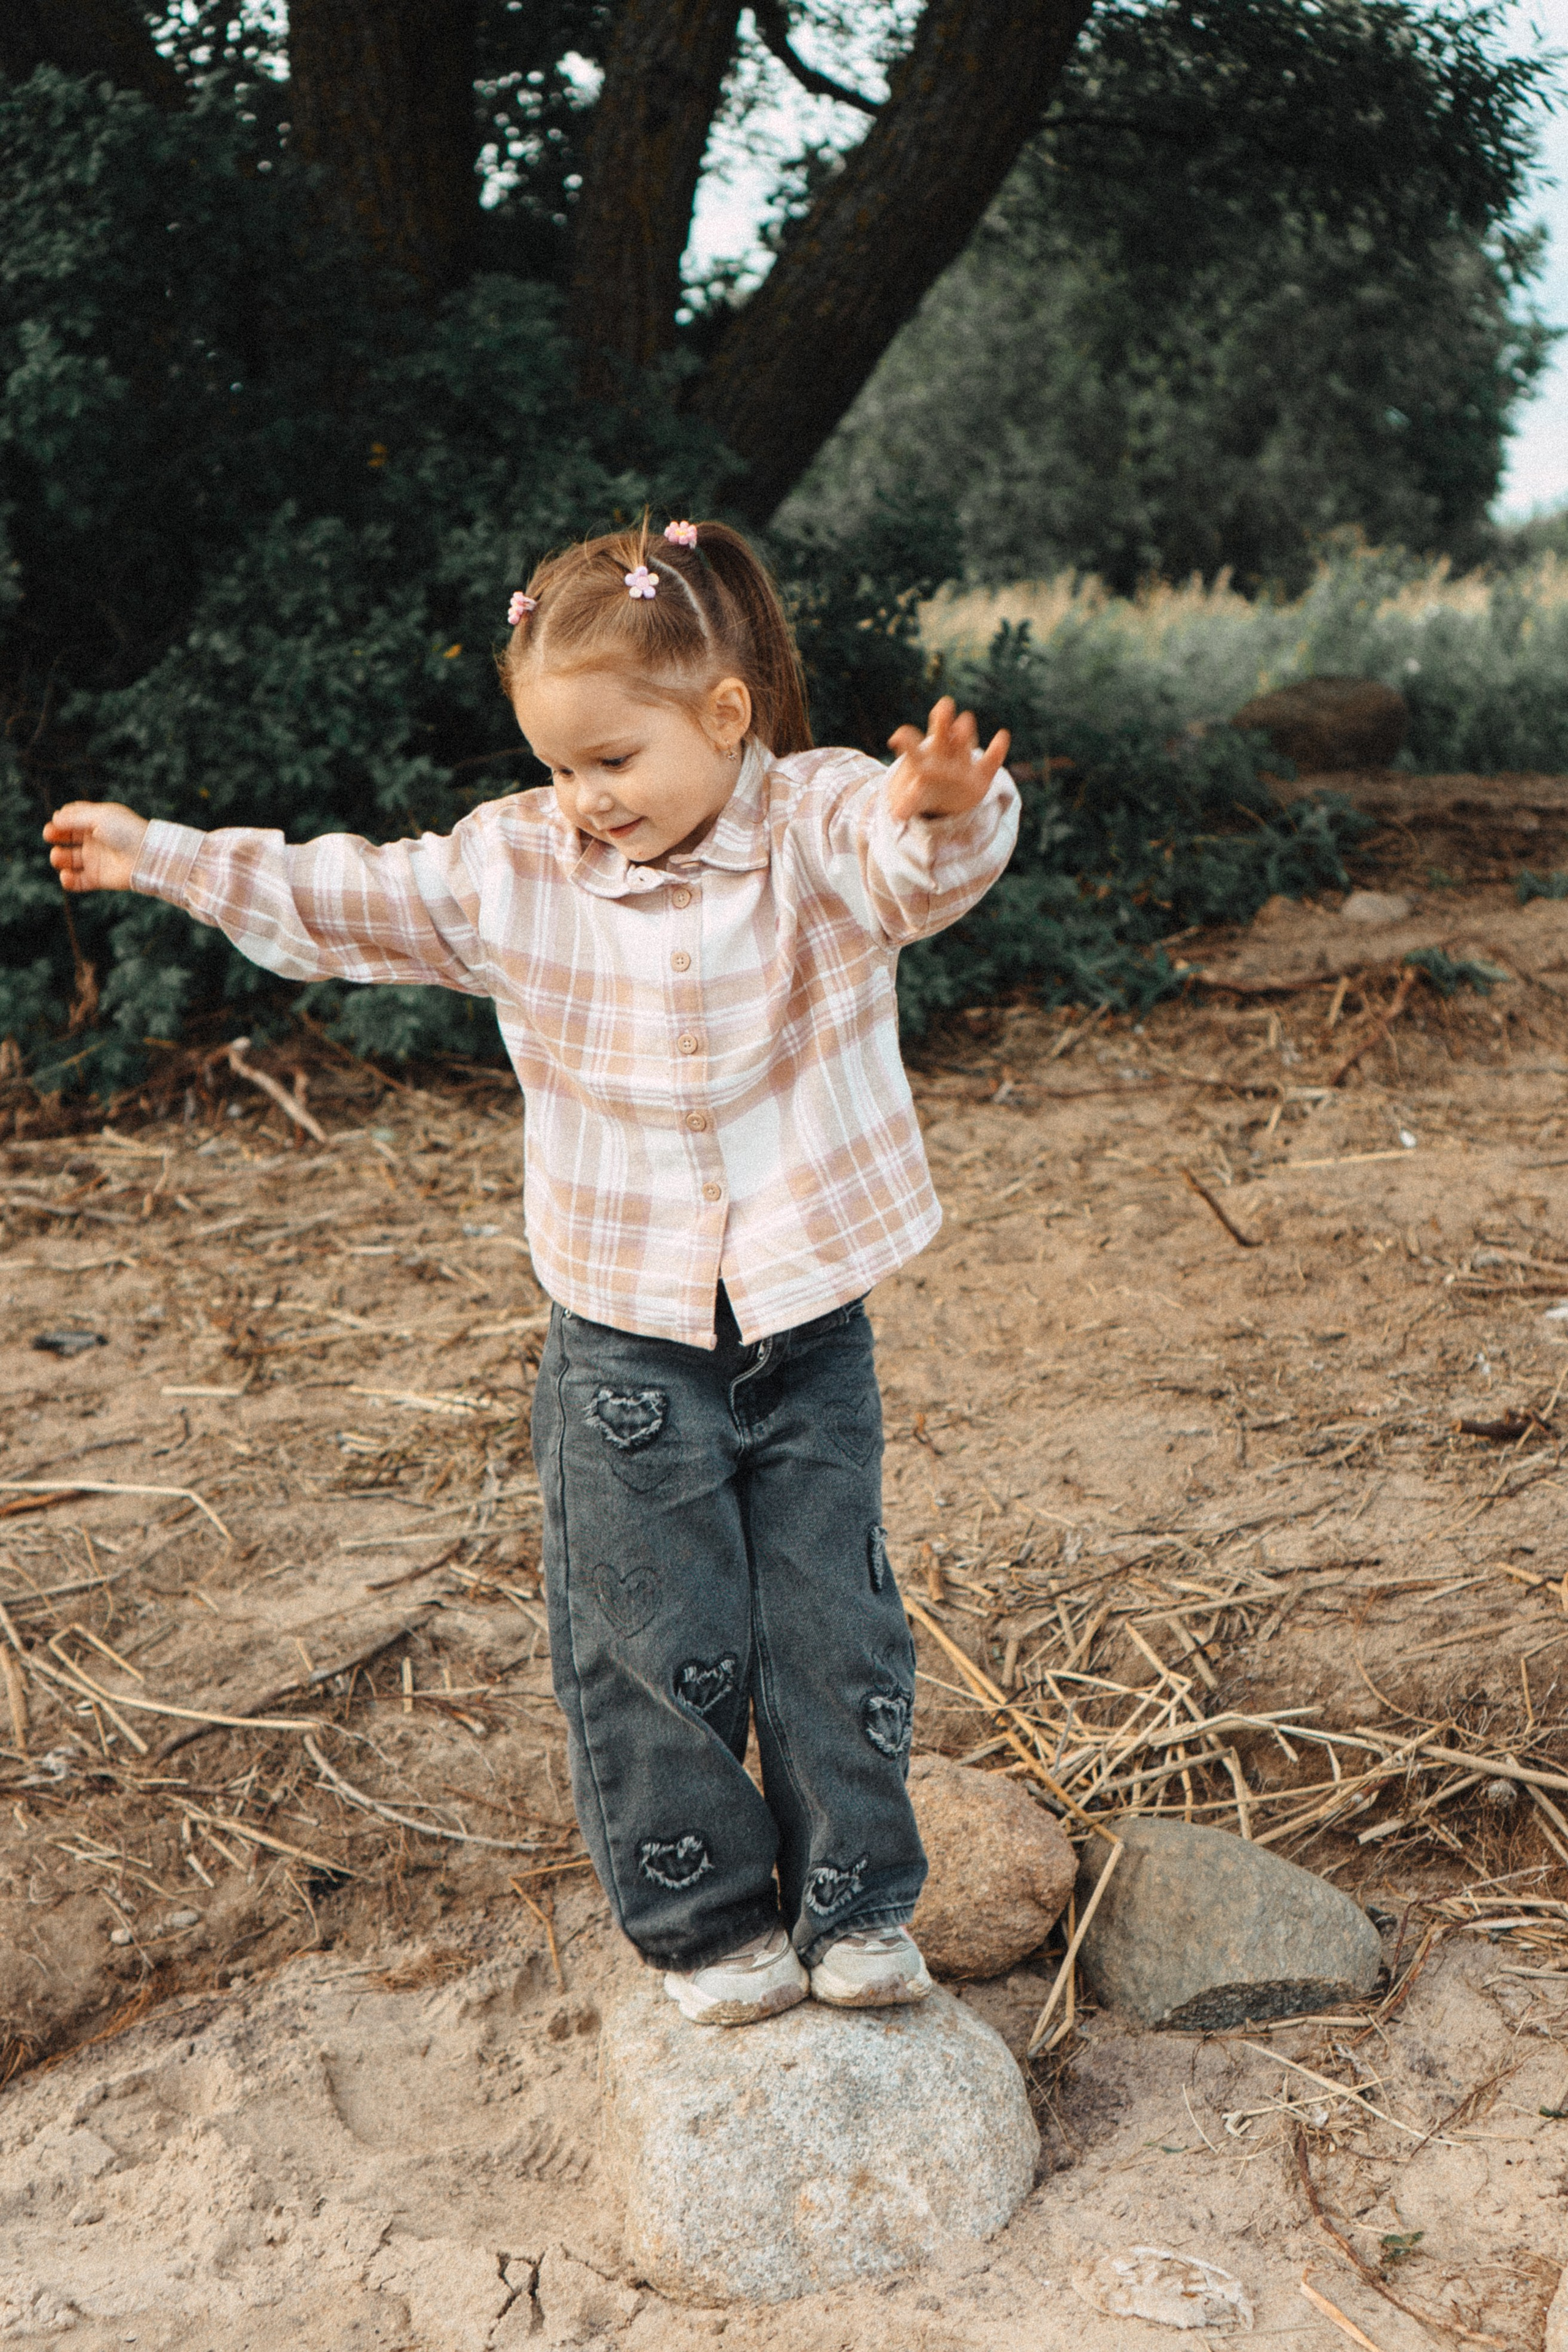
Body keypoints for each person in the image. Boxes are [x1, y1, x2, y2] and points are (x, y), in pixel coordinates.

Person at [44, 517, 1018, 2027]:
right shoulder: (518, 863)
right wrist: (158, 856)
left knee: (835, 1620)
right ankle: (706, 1928)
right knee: (650, 1637)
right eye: (561, 765)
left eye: (613, 761)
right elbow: (343, 897)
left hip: (807, 1323)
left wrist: (949, 810)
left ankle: (856, 1909)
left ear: (724, 717)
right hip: (624, 1339)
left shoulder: (821, 820)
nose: (584, 798)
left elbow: (909, 870)